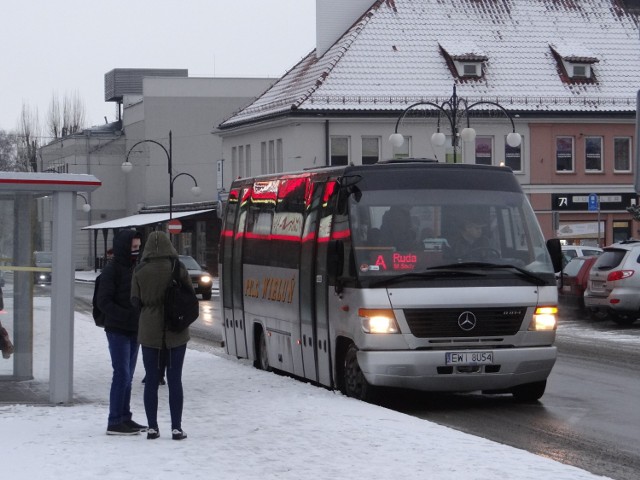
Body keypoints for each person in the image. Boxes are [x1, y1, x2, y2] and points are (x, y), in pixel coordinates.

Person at [131, 231, 193, 441]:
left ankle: (152, 428)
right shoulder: (178, 267)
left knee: (151, 380)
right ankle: (176, 428)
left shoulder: (140, 270)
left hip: (149, 330)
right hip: (176, 329)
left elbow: (134, 300)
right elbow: (189, 296)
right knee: (175, 379)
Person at [97, 229, 147, 436]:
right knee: (122, 374)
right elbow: (103, 302)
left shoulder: (136, 268)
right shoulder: (112, 270)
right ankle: (115, 420)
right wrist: (127, 316)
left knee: (128, 375)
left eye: (138, 247)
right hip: (118, 329)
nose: (136, 251)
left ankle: (125, 416)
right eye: (133, 248)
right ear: (124, 247)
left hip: (133, 329)